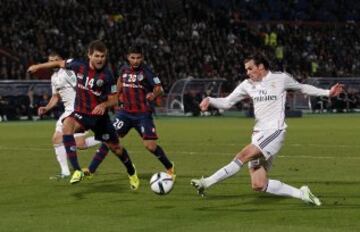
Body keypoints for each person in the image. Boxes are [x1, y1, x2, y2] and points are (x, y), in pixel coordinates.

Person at [191, 53, 344, 206]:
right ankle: (302, 193)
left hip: (275, 131)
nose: (248, 73)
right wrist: (209, 100)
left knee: (242, 156)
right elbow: (227, 102)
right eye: (246, 70)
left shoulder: (280, 78)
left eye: (250, 69)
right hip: (258, 134)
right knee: (258, 184)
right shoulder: (247, 84)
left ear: (261, 67)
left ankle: (206, 182)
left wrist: (327, 93)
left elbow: (302, 88)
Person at [27, 40, 139, 190]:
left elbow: (115, 98)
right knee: (67, 125)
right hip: (81, 114)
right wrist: (38, 66)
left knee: (116, 148)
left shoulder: (107, 75)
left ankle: (132, 172)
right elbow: (58, 63)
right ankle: (77, 171)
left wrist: (104, 104)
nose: (100, 59)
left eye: (103, 56)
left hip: (100, 119)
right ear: (89, 55)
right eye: (97, 56)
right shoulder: (78, 65)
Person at [84, 45, 175, 183]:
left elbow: (159, 88)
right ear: (128, 57)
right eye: (133, 57)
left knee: (150, 146)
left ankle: (169, 166)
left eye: (138, 58)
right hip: (124, 113)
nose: (136, 60)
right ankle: (90, 170)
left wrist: (153, 94)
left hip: (142, 114)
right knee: (109, 140)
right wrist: (115, 100)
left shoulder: (147, 72)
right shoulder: (124, 70)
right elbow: (119, 84)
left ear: (142, 58)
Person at [37, 52, 101, 179]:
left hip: (77, 110)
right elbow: (56, 96)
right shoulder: (54, 77)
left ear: (60, 60)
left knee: (78, 143)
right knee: (62, 141)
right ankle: (65, 172)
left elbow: (81, 88)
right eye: (50, 60)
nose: (52, 62)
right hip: (68, 111)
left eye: (55, 59)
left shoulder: (68, 72)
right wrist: (47, 108)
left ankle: (106, 137)